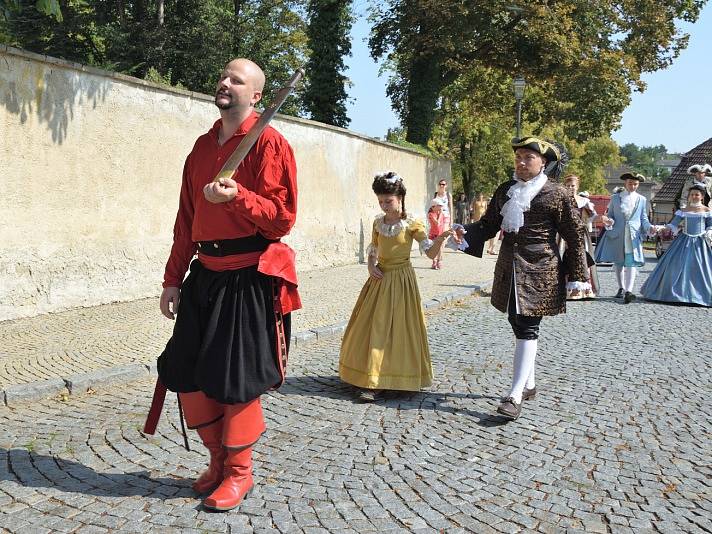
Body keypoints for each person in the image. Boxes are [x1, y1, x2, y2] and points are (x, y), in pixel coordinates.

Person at [155, 58, 299, 511]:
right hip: (204, 275)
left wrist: (240, 197)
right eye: (223, 75)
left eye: (236, 79)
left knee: (236, 380)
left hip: (247, 277)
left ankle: (240, 473)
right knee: (184, 370)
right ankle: (217, 460)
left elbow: (282, 219)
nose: (224, 82)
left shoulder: (269, 143)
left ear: (256, 95)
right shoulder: (200, 148)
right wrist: (172, 279)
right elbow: (186, 219)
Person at [454, 137, 588, 421]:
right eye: (518, 157)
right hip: (509, 268)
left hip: (541, 269)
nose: (521, 162)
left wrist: (577, 275)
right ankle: (529, 383)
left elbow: (575, 236)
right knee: (516, 321)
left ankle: (514, 396)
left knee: (528, 326)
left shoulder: (558, 194)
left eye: (528, 157)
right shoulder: (505, 190)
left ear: (544, 163)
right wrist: (464, 234)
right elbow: (489, 225)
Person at [339, 172, 453, 401]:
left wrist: (441, 238)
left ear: (400, 197)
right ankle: (371, 379)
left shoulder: (412, 223)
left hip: (402, 282)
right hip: (379, 280)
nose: (384, 205)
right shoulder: (378, 222)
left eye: (388, 201)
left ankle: (397, 377)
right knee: (373, 327)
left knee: (399, 329)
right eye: (380, 201)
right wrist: (371, 266)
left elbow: (429, 252)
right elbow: (374, 249)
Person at [641, 184, 712, 306]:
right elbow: (673, 225)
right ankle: (675, 293)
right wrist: (661, 228)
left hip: (700, 242)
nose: (694, 196)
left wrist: (709, 232)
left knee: (701, 268)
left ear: (702, 196)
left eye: (697, 194)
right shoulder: (683, 210)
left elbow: (710, 225)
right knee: (675, 266)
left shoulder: (707, 211)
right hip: (683, 240)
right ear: (689, 196)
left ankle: (701, 295)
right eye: (692, 194)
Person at [593, 172, 656, 304]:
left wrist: (649, 227)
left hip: (633, 235)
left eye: (635, 184)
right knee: (619, 263)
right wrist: (609, 221)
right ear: (625, 183)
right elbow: (611, 216)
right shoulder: (615, 198)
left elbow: (643, 218)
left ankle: (629, 291)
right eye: (630, 183)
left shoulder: (642, 199)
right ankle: (621, 287)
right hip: (618, 234)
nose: (633, 186)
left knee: (631, 263)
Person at [560, 175, 601, 299]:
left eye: (573, 186)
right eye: (568, 186)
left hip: (580, 234)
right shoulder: (561, 200)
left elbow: (592, 216)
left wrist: (601, 219)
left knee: (582, 258)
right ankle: (565, 288)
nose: (571, 188)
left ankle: (584, 289)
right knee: (564, 257)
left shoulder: (583, 201)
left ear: (577, 187)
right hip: (564, 234)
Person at [427, 199, 447, 269]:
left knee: (441, 248)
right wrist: (441, 214)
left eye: (441, 206)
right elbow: (437, 223)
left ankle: (439, 261)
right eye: (439, 206)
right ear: (433, 207)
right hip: (433, 234)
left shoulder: (441, 214)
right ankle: (434, 261)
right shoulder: (431, 214)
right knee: (434, 248)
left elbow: (443, 223)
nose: (441, 207)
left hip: (441, 233)